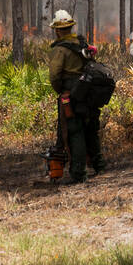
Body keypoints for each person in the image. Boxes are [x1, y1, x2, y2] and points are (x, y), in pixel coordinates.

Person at [47, 10, 105, 184]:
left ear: (57, 30)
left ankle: (79, 173)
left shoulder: (59, 50)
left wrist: (61, 90)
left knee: (75, 131)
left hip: (71, 94)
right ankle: (99, 165)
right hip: (88, 91)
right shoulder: (82, 44)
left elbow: (55, 76)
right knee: (90, 129)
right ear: (70, 27)